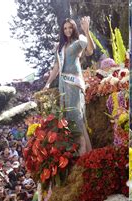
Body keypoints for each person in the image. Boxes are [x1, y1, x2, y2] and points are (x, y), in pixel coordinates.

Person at [43, 17, 95, 155]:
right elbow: (56, 67)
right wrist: (48, 83)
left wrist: (87, 30)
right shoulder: (59, 47)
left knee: (76, 116)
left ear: (74, 28)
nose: (67, 30)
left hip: (74, 83)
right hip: (63, 85)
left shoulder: (80, 40)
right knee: (66, 118)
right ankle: (75, 151)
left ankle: (83, 153)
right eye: (65, 28)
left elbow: (90, 50)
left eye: (70, 27)